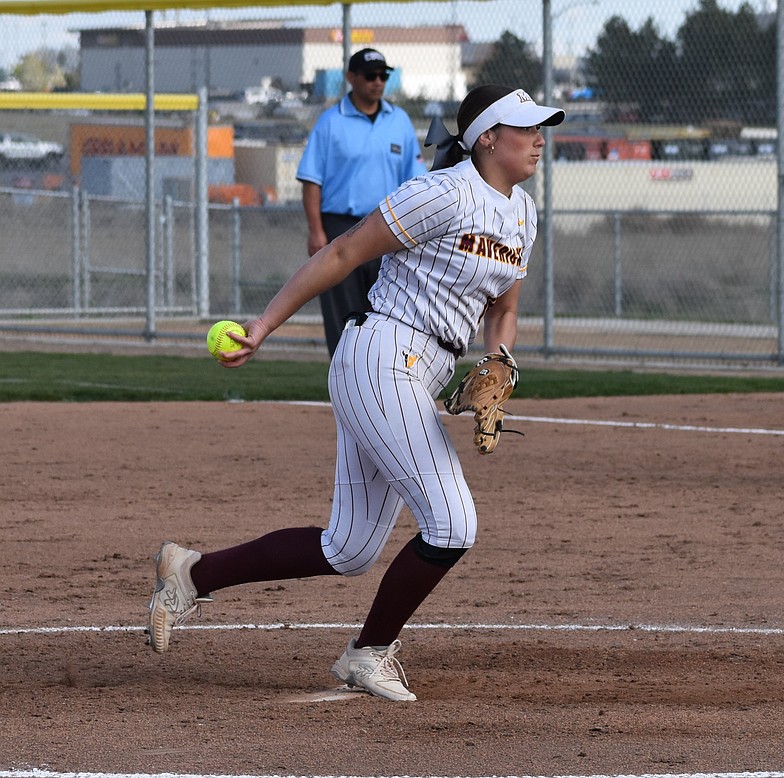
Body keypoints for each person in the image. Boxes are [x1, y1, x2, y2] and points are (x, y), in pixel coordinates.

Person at [148, 85, 566, 701]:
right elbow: (344, 252)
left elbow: (503, 308)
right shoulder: (442, 194)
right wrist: (263, 326)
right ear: (486, 139)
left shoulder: (523, 214)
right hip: (382, 354)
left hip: (423, 370)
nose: (538, 139)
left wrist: (499, 360)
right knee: (453, 524)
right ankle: (368, 654)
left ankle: (190, 573)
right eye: (525, 127)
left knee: (349, 548)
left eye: (540, 127)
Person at [296, 47, 428, 356]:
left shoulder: (399, 121)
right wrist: (316, 231)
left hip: (389, 228)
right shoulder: (331, 122)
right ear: (351, 77)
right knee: (343, 317)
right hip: (340, 227)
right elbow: (311, 180)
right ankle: (343, 375)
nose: (378, 82)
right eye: (370, 76)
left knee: (386, 315)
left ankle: (380, 378)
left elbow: (416, 181)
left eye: (383, 75)